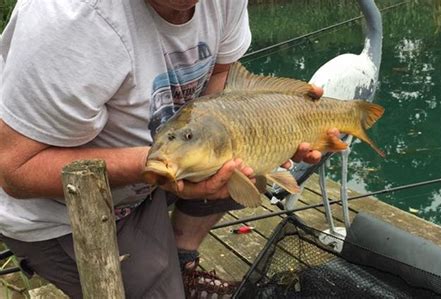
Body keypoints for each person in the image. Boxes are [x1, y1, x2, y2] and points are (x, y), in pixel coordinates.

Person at [0, 0, 332, 297]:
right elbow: (14, 170)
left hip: (155, 160)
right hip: (53, 211)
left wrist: (268, 128)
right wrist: (151, 164)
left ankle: (183, 256)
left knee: (246, 163)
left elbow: (220, 76)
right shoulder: (70, 19)